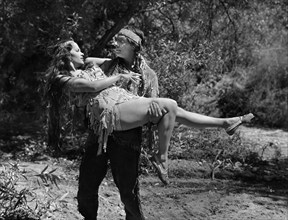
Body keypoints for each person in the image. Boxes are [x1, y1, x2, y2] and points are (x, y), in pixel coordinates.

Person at [45, 28, 254, 219]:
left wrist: (153, 112)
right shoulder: (106, 64)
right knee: (87, 187)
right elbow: (85, 80)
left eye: (119, 41)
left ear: (133, 45)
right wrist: (119, 77)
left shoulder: (149, 76)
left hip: (127, 136)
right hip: (99, 133)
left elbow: (158, 115)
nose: (114, 45)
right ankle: (222, 124)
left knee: (128, 193)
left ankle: (222, 124)